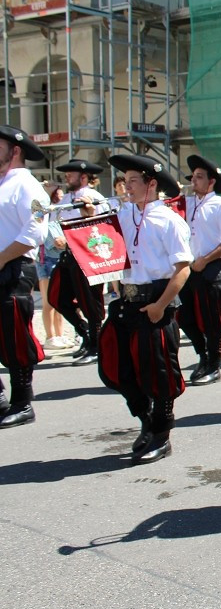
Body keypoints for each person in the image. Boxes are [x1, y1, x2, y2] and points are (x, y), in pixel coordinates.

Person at [97, 154, 192, 463]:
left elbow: (182, 269)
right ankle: (147, 421)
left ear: (151, 184)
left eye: (133, 181)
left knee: (159, 371)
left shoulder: (169, 220)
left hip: (155, 300)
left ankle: (162, 433)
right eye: (125, 181)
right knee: (121, 369)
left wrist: (160, 305)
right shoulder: (124, 214)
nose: (127, 186)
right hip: (127, 301)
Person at [0, 125, 50, 427]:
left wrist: (2, 258)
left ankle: (22, 402)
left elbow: (36, 231)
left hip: (13, 268)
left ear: (15, 150)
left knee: (13, 336)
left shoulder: (28, 186)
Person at [176, 154, 221, 386]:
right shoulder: (188, 203)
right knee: (184, 316)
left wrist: (207, 258)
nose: (194, 181)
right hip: (189, 268)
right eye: (193, 177)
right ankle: (202, 355)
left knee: (212, 319)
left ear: (211, 181)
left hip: (210, 266)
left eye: (199, 177)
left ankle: (213, 364)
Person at [49, 160, 108, 365]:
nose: (66, 177)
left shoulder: (95, 197)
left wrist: (73, 234)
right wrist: (58, 237)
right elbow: (55, 220)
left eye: (70, 173)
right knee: (57, 297)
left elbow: (101, 227)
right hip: (69, 255)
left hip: (88, 255)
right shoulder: (66, 198)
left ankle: (96, 344)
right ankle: (86, 335)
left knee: (90, 302)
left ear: (83, 176)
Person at [37, 184, 72, 348]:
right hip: (45, 258)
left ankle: (59, 334)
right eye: (57, 194)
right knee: (48, 301)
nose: (60, 197)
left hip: (57, 256)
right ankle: (50, 337)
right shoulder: (40, 210)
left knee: (59, 299)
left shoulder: (59, 212)